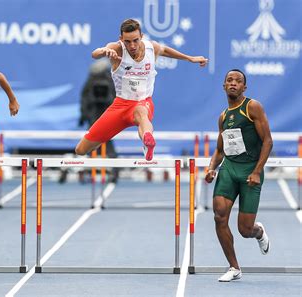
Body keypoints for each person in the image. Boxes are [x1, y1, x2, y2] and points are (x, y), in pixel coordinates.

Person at [75, 19, 208, 160]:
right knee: (81, 150)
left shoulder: (152, 48)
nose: (132, 45)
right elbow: (95, 54)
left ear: (141, 36)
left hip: (143, 102)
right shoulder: (116, 48)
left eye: (135, 40)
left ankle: (147, 140)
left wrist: (190, 58)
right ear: (121, 39)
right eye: (127, 41)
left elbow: (165, 50)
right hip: (120, 106)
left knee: (141, 112)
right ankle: (99, 142)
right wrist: (104, 51)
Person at [205, 69, 272, 282]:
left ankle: (258, 231)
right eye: (229, 80)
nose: (233, 83)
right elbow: (219, 149)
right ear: (224, 86)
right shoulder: (223, 117)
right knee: (219, 215)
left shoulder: (252, 107)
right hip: (230, 169)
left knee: (244, 229)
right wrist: (210, 168)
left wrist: (256, 171)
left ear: (244, 87)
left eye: (238, 81)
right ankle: (234, 267)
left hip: (250, 171)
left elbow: (268, 141)